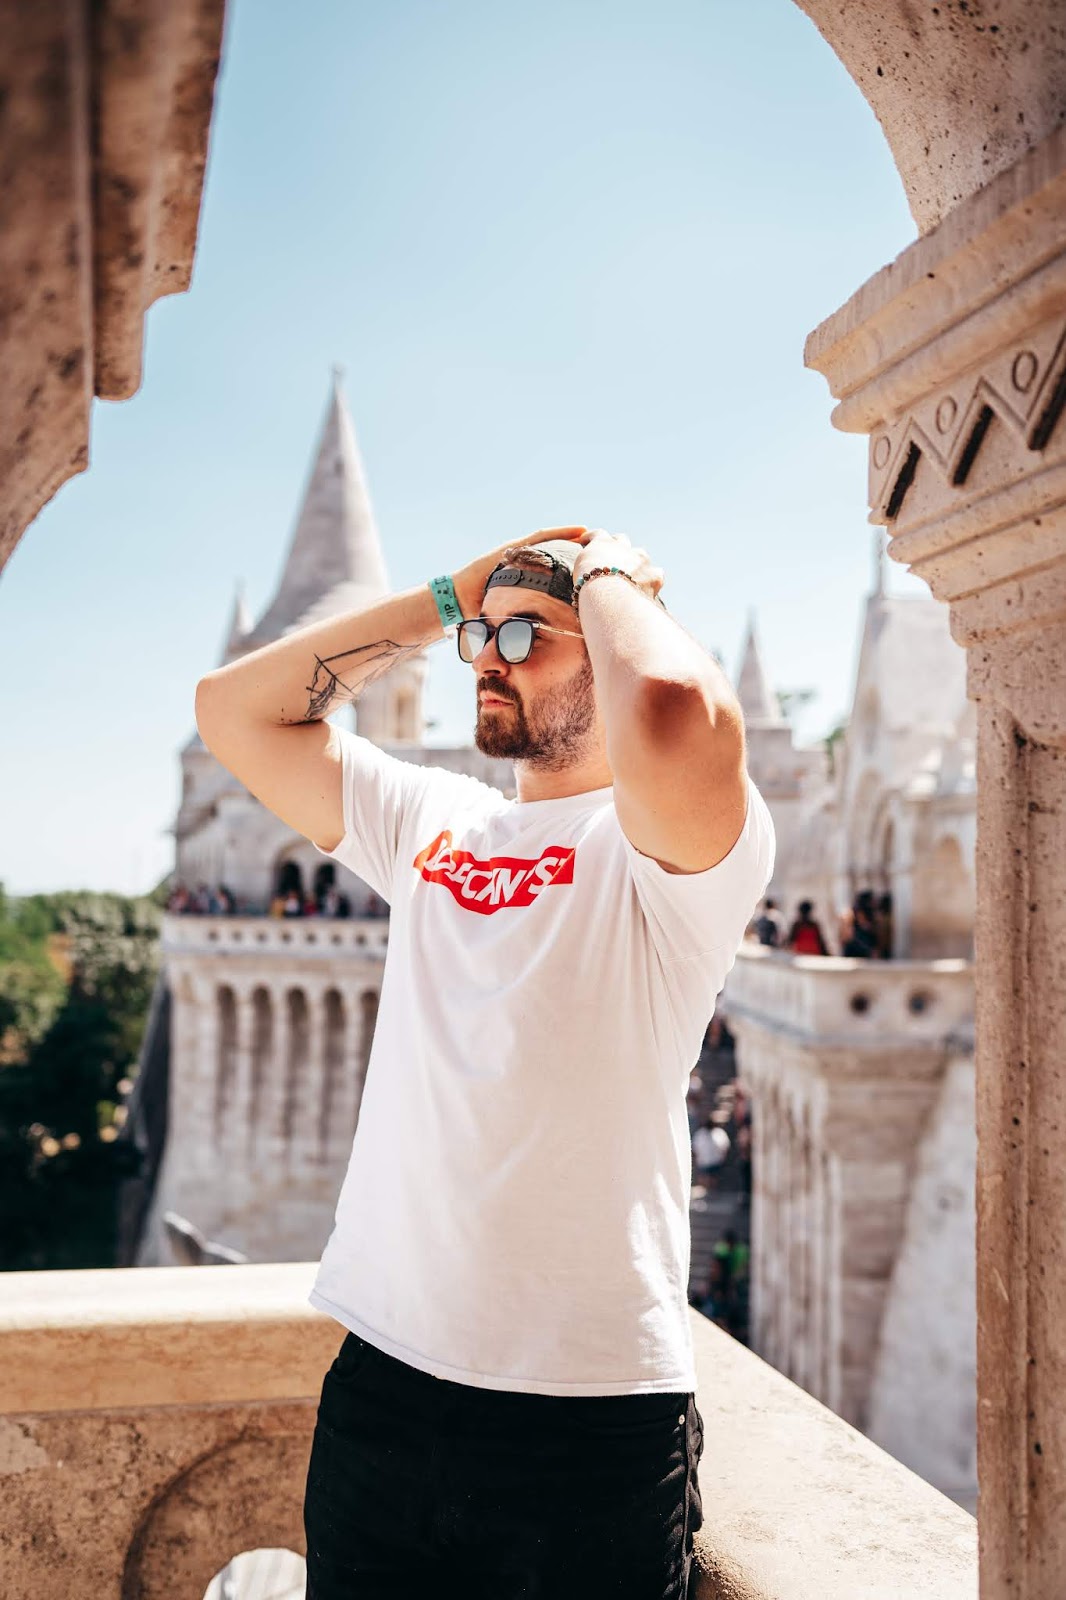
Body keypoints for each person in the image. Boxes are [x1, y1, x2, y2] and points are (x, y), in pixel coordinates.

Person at [194, 525, 775, 1598]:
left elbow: (673, 709)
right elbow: (232, 711)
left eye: (527, 636)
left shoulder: (670, 858)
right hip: (383, 1385)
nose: (489, 659)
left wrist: (607, 575)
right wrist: (448, 596)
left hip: (587, 1418)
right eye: (481, 637)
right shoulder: (435, 819)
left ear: (609, 645)